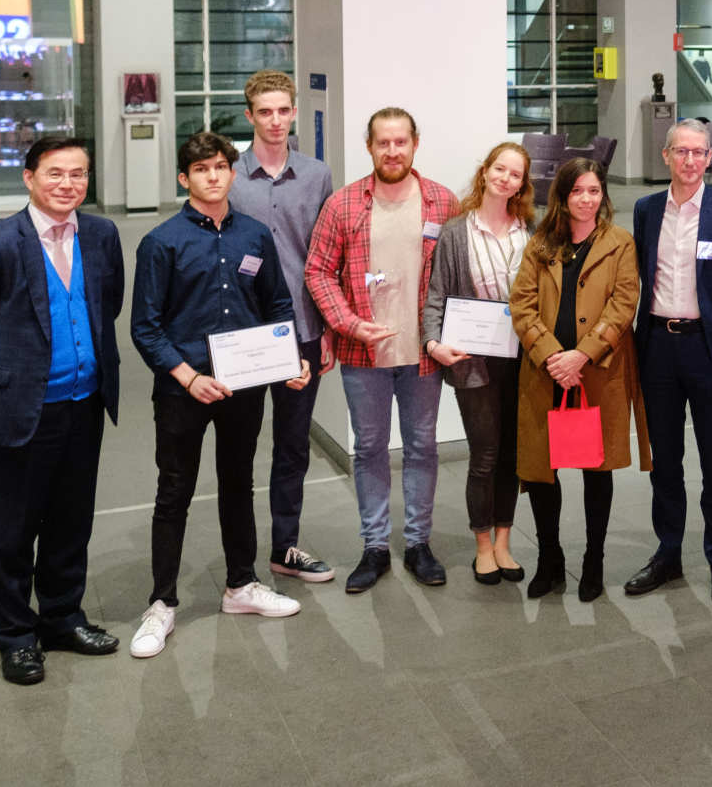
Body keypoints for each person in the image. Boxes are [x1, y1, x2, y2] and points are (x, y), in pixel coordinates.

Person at [0, 136, 126, 685]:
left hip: (83, 404)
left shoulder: (101, 235)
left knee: (71, 521)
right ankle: (17, 636)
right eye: (56, 173)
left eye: (79, 174)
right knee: (13, 530)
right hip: (18, 411)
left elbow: (105, 306)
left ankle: (63, 618)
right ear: (28, 177)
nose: (68, 184)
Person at [127, 132, 307, 658]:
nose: (213, 175)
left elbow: (275, 303)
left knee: (238, 484)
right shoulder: (162, 242)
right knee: (174, 493)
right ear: (185, 179)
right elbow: (146, 327)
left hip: (243, 388)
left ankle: (240, 585)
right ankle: (161, 604)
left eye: (222, 166)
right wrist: (187, 376)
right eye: (201, 169)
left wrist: (288, 358)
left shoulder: (255, 235)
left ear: (233, 173)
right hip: (185, 388)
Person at [305, 107, 459, 593]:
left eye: (400, 142)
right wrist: (347, 324)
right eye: (382, 143)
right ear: (369, 147)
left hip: (423, 355)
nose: (392, 151)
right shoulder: (343, 204)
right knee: (370, 449)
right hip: (362, 356)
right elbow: (318, 271)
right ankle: (374, 547)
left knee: (421, 448)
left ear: (415, 143)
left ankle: (418, 544)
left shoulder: (441, 201)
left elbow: (456, 276)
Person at [625, 119, 712, 606]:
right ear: (666, 156)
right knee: (665, 460)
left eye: (699, 153)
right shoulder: (644, 210)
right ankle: (667, 553)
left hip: (708, 348)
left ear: (710, 159)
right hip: (658, 347)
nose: (690, 161)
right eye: (681, 152)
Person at [512, 158, 649, 602]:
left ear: (603, 195)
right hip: (545, 372)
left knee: (596, 468)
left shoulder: (619, 243)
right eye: (577, 192)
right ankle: (550, 558)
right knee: (540, 471)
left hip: (596, 374)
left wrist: (581, 356)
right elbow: (522, 305)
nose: (586, 199)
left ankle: (594, 558)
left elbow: (623, 305)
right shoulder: (540, 244)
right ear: (563, 197)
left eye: (594, 191)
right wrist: (553, 356)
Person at [228, 70, 338, 584]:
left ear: (295, 113)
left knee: (293, 444)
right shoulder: (226, 173)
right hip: (242, 334)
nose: (275, 120)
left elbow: (327, 256)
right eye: (264, 112)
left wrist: (330, 328)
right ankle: (239, 561)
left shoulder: (317, 175)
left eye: (283, 110)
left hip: (303, 330)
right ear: (249, 116)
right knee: (239, 446)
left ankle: (285, 546)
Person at [420, 141, 533, 586]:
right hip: (474, 360)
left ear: (523, 184)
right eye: (499, 170)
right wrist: (433, 343)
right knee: (484, 455)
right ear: (485, 172)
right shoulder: (455, 233)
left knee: (513, 456)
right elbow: (436, 295)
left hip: (522, 360)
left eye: (516, 174)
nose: (506, 179)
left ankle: (505, 541)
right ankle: (482, 545)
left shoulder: (530, 230)